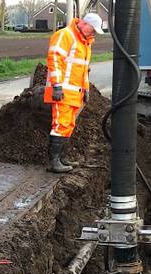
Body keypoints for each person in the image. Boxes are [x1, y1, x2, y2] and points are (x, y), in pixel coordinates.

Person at [43, 13, 104, 173]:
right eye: (93, 29)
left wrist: (86, 89)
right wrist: (56, 86)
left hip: (74, 92)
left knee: (68, 125)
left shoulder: (85, 42)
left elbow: (83, 69)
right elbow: (54, 59)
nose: (94, 33)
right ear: (84, 24)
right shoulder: (65, 35)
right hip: (62, 91)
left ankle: (62, 158)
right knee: (60, 124)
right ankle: (54, 162)